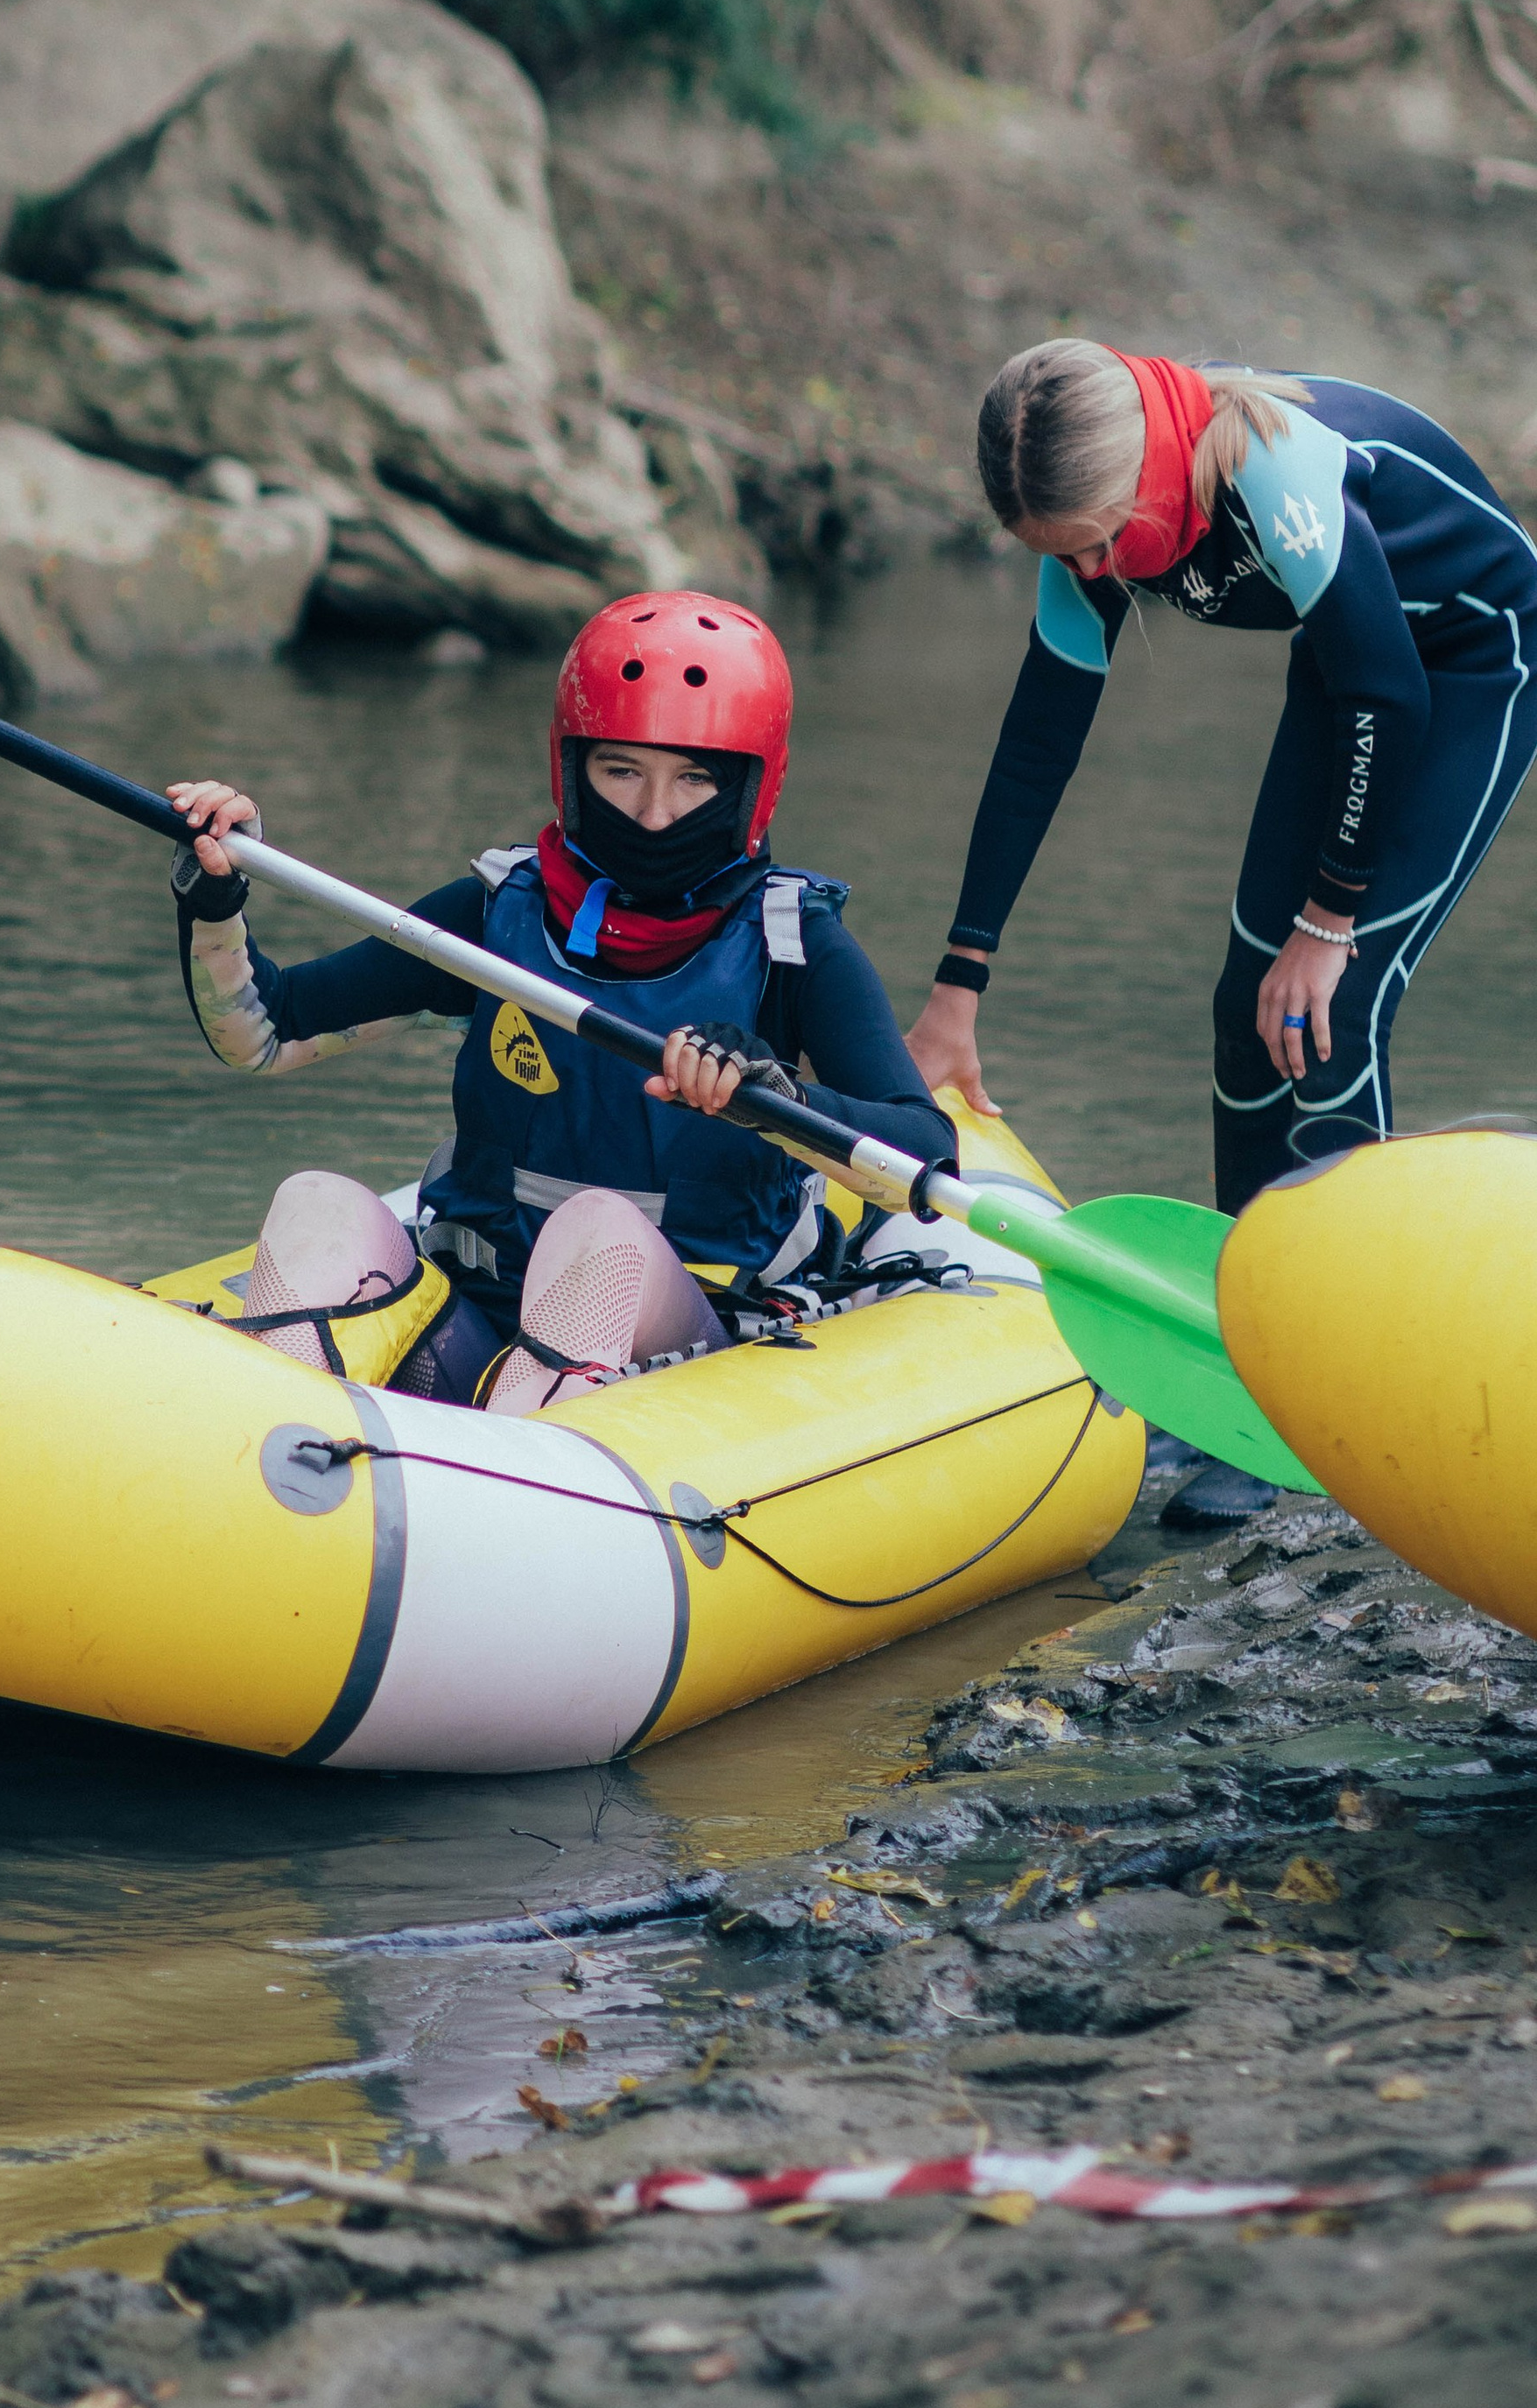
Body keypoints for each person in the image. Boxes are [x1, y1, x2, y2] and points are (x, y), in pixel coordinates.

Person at [905, 339, 1537, 1524]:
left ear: (1149, 465)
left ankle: (1355, 1408)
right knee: (1240, 1016)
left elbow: (1394, 694)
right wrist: (959, 984)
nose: (1095, 570)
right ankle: (1243, 1372)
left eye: (1101, 540)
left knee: (1329, 1009)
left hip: (1473, 667)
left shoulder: (1279, 472)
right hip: (1356, 676)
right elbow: (1039, 741)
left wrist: (1328, 919)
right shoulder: (1088, 524)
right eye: (1068, 555)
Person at [167, 590, 955, 1414]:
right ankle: (268, 1455)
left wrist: (774, 1099)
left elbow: (924, 1155)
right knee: (314, 1200)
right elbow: (264, 1032)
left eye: (693, 780)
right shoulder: (493, 915)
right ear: (571, 769)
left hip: (697, 1352)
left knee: (598, 1230)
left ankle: (508, 1484)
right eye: (622, 771)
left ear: (752, 788)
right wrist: (216, 899)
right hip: (483, 1325)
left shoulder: (798, 951)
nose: (654, 815)